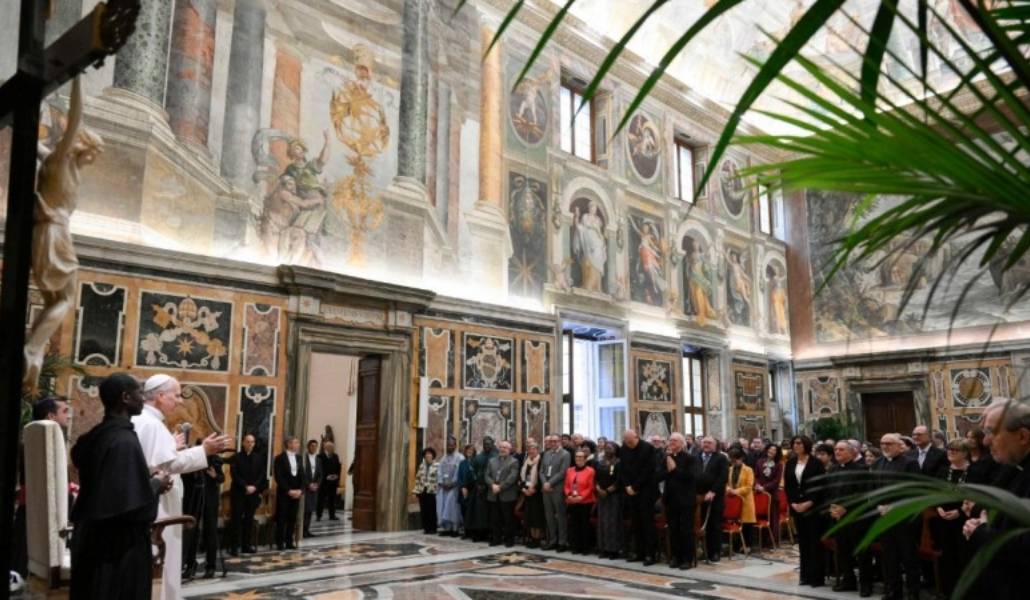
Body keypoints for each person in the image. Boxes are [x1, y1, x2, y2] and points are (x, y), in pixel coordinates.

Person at [69, 373, 171, 600]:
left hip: (90, 537)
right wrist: (157, 483)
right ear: (125, 397)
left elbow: (108, 483)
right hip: (117, 549)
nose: (143, 398)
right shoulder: (123, 441)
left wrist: (143, 478)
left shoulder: (95, 436)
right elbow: (128, 506)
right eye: (139, 393)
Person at [132, 374, 232, 600]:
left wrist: (171, 445)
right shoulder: (152, 424)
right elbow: (171, 465)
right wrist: (204, 450)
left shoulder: (143, 420)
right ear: (160, 396)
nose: (179, 401)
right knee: (164, 560)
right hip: (159, 504)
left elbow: (157, 459)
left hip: (151, 500)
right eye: (176, 396)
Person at [963, 400, 1030, 600]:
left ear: (1022, 436)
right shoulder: (1012, 466)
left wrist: (981, 533)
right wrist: (978, 511)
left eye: (992, 432)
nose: (985, 441)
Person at [13, 396, 71, 583]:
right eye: (64, 411)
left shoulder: (31, 439)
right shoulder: (42, 443)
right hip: (37, 514)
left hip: (29, 512)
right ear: (51, 416)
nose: (69, 416)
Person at [872, 433, 921, 600]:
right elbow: (873, 488)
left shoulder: (910, 463)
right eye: (882, 443)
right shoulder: (878, 463)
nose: (885, 446)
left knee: (908, 557)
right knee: (889, 557)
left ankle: (913, 592)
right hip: (883, 516)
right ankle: (894, 591)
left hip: (903, 517)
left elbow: (914, 490)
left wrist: (894, 507)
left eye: (889, 443)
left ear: (899, 446)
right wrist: (878, 505)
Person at [827, 440, 872, 596]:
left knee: (861, 552)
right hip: (838, 518)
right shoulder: (832, 470)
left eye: (841, 449)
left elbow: (863, 494)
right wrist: (833, 509)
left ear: (851, 452)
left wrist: (845, 508)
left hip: (856, 517)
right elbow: (829, 492)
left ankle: (866, 584)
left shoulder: (861, 470)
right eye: (836, 449)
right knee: (842, 550)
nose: (837, 452)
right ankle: (849, 581)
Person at [785, 435, 825, 587]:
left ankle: (816, 577)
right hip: (797, 506)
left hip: (813, 506)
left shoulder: (816, 463)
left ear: (806, 445)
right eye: (794, 443)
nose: (796, 445)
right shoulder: (790, 462)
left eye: (799, 443)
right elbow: (789, 486)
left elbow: (820, 485)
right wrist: (793, 503)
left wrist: (809, 502)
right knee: (803, 542)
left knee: (814, 542)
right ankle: (805, 575)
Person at [934, 439, 970, 598]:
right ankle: (947, 592)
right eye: (949, 450)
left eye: (955, 450)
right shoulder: (942, 471)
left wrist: (959, 512)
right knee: (946, 557)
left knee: (963, 556)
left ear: (965, 453)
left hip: (964, 520)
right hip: (943, 519)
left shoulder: (972, 471)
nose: (951, 452)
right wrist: (938, 507)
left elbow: (975, 497)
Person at [182, 447, 224, 579]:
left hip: (210, 500)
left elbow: (221, 478)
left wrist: (215, 476)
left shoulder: (214, 460)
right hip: (194, 499)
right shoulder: (193, 460)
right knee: (192, 533)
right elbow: (185, 478)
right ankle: (190, 565)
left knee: (210, 532)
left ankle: (211, 566)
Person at [621, 429, 659, 565]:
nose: (628, 444)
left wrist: (635, 487)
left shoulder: (648, 448)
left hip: (646, 491)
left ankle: (650, 554)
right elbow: (623, 469)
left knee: (647, 524)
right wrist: (627, 486)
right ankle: (638, 552)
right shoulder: (624, 448)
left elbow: (648, 471)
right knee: (635, 523)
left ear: (636, 437)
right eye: (626, 441)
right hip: (630, 491)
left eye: (630, 441)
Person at [661, 433, 697, 569]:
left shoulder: (690, 458)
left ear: (682, 443)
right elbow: (660, 474)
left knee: (686, 530)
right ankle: (675, 557)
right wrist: (668, 464)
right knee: (673, 530)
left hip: (686, 500)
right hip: (671, 500)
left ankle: (687, 559)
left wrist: (674, 469)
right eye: (670, 440)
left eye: (674, 441)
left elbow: (689, 477)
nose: (671, 442)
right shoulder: (665, 458)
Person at [229, 433, 267, 555]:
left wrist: (254, 487)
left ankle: (246, 546)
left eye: (252, 442)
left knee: (249, 520)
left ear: (254, 444)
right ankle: (234, 547)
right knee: (236, 520)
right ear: (243, 443)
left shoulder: (259, 458)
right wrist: (245, 486)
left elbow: (261, 474)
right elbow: (234, 475)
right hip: (239, 493)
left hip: (253, 493)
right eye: (248, 441)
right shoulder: (236, 457)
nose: (250, 444)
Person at [697, 435, 729, 562]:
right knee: (700, 524)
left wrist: (713, 491)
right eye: (704, 442)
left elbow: (723, 477)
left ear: (715, 445)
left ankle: (715, 552)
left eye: (709, 443)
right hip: (699, 497)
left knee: (714, 525)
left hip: (715, 496)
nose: (706, 445)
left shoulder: (721, 458)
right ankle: (702, 550)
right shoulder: (696, 457)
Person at [486, 441, 519, 547]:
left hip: (507, 495)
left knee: (508, 519)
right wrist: (492, 485)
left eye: (505, 447)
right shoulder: (491, 461)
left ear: (509, 450)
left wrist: (500, 487)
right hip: (493, 494)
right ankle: (496, 538)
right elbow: (487, 475)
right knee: (495, 519)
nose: (502, 449)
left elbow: (512, 478)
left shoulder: (514, 461)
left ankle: (509, 540)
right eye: (501, 447)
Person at [540, 434, 570, 551]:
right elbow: (541, 471)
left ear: (560, 442)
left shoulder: (565, 454)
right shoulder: (546, 454)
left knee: (561, 516)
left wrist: (550, 483)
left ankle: (562, 542)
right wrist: (544, 483)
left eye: (555, 441)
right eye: (551, 441)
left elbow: (563, 472)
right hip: (546, 489)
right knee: (549, 515)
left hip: (557, 488)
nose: (553, 443)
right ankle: (552, 540)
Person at [274, 437, 304, 550]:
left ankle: (289, 542)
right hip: (284, 493)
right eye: (296, 442)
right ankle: (280, 542)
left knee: (292, 518)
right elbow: (279, 477)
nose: (298, 445)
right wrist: (288, 490)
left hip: (296, 494)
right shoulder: (279, 458)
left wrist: (300, 490)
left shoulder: (299, 458)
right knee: (282, 518)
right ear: (289, 444)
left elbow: (302, 475)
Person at [594, 441, 623, 559]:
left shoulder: (619, 462)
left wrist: (608, 491)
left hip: (614, 496)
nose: (607, 450)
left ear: (615, 450)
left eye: (610, 448)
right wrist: (598, 489)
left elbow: (619, 480)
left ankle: (614, 550)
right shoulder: (600, 462)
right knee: (602, 522)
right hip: (601, 496)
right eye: (606, 448)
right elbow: (596, 478)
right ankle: (603, 548)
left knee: (613, 522)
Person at [464, 437, 497, 541]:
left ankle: (490, 533)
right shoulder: (478, 457)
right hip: (478, 488)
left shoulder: (496, 456)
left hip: (490, 488)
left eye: (488, 444)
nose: (486, 446)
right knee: (478, 513)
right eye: (485, 444)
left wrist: (490, 484)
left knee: (490, 513)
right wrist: (476, 482)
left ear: (492, 444)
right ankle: (479, 533)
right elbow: (472, 471)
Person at [564, 449, 596, 554]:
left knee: (584, 525)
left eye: (581, 457)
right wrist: (569, 495)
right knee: (574, 525)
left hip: (585, 502)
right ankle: (576, 546)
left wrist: (581, 497)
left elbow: (590, 487)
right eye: (577, 456)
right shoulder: (570, 470)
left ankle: (585, 547)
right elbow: (566, 485)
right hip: (572, 501)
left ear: (585, 459)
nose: (578, 458)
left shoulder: (590, 471)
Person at [726, 448, 756, 553]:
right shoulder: (729, 469)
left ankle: (747, 545)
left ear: (741, 458)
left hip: (745, 500)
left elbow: (749, 487)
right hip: (733, 501)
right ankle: (736, 545)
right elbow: (726, 483)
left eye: (735, 460)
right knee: (735, 522)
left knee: (747, 525)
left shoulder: (748, 470)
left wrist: (735, 491)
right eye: (732, 461)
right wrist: (728, 489)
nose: (733, 463)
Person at [753, 441, 783, 546]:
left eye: (774, 450)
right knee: (760, 516)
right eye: (770, 449)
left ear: (777, 453)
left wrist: (764, 487)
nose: (771, 451)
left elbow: (776, 481)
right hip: (759, 493)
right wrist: (757, 485)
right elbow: (756, 476)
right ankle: (760, 540)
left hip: (772, 493)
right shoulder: (759, 462)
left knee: (772, 517)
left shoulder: (779, 465)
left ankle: (771, 540)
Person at [519, 440, 546, 547]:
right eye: (529, 449)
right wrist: (524, 489)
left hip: (537, 493)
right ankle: (531, 538)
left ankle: (537, 539)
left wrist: (534, 489)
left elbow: (542, 476)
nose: (531, 451)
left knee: (537, 517)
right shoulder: (526, 461)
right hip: (527, 493)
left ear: (537, 450)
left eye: (533, 449)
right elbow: (522, 477)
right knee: (529, 517)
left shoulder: (541, 461)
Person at [437, 437, 464, 537]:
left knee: (453, 508)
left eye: (452, 445)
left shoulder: (460, 457)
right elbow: (439, 472)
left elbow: (459, 472)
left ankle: (455, 529)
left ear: (455, 446)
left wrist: (453, 483)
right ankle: (447, 528)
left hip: (454, 488)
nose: (450, 447)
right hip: (444, 487)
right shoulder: (443, 458)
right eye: (448, 445)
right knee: (444, 507)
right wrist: (441, 482)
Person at [413, 448, 439, 534]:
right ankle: (426, 528)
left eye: (429, 454)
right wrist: (415, 491)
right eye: (426, 454)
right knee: (424, 510)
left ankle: (433, 528)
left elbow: (438, 479)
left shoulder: (437, 465)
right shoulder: (422, 466)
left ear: (433, 455)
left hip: (432, 491)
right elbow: (417, 479)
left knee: (432, 510)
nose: (428, 455)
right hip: (422, 490)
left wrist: (437, 489)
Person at [301, 440, 322, 538]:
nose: (314, 448)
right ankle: (301, 531)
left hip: (314, 489)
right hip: (305, 488)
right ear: (308, 447)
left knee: (310, 511)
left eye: (315, 446)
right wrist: (308, 484)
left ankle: (306, 530)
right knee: (304, 510)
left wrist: (317, 484)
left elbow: (320, 474)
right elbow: (302, 474)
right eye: (312, 446)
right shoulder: (303, 458)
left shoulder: (318, 460)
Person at [317, 440, 342, 521]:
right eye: (330, 447)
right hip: (323, 482)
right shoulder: (320, 456)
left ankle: (332, 515)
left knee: (332, 499)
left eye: (333, 447)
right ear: (326, 447)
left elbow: (338, 467)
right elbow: (319, 469)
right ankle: (319, 515)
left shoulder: (335, 456)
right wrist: (326, 477)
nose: (332, 448)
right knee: (321, 499)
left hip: (333, 482)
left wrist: (336, 476)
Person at [457, 444, 476, 531]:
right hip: (463, 490)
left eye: (471, 450)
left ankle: (472, 531)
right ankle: (466, 530)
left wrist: (468, 487)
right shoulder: (462, 463)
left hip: (472, 490)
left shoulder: (476, 461)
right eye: (468, 450)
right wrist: (463, 487)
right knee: (463, 510)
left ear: (474, 452)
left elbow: (475, 477)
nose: (469, 451)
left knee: (471, 512)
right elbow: (459, 477)